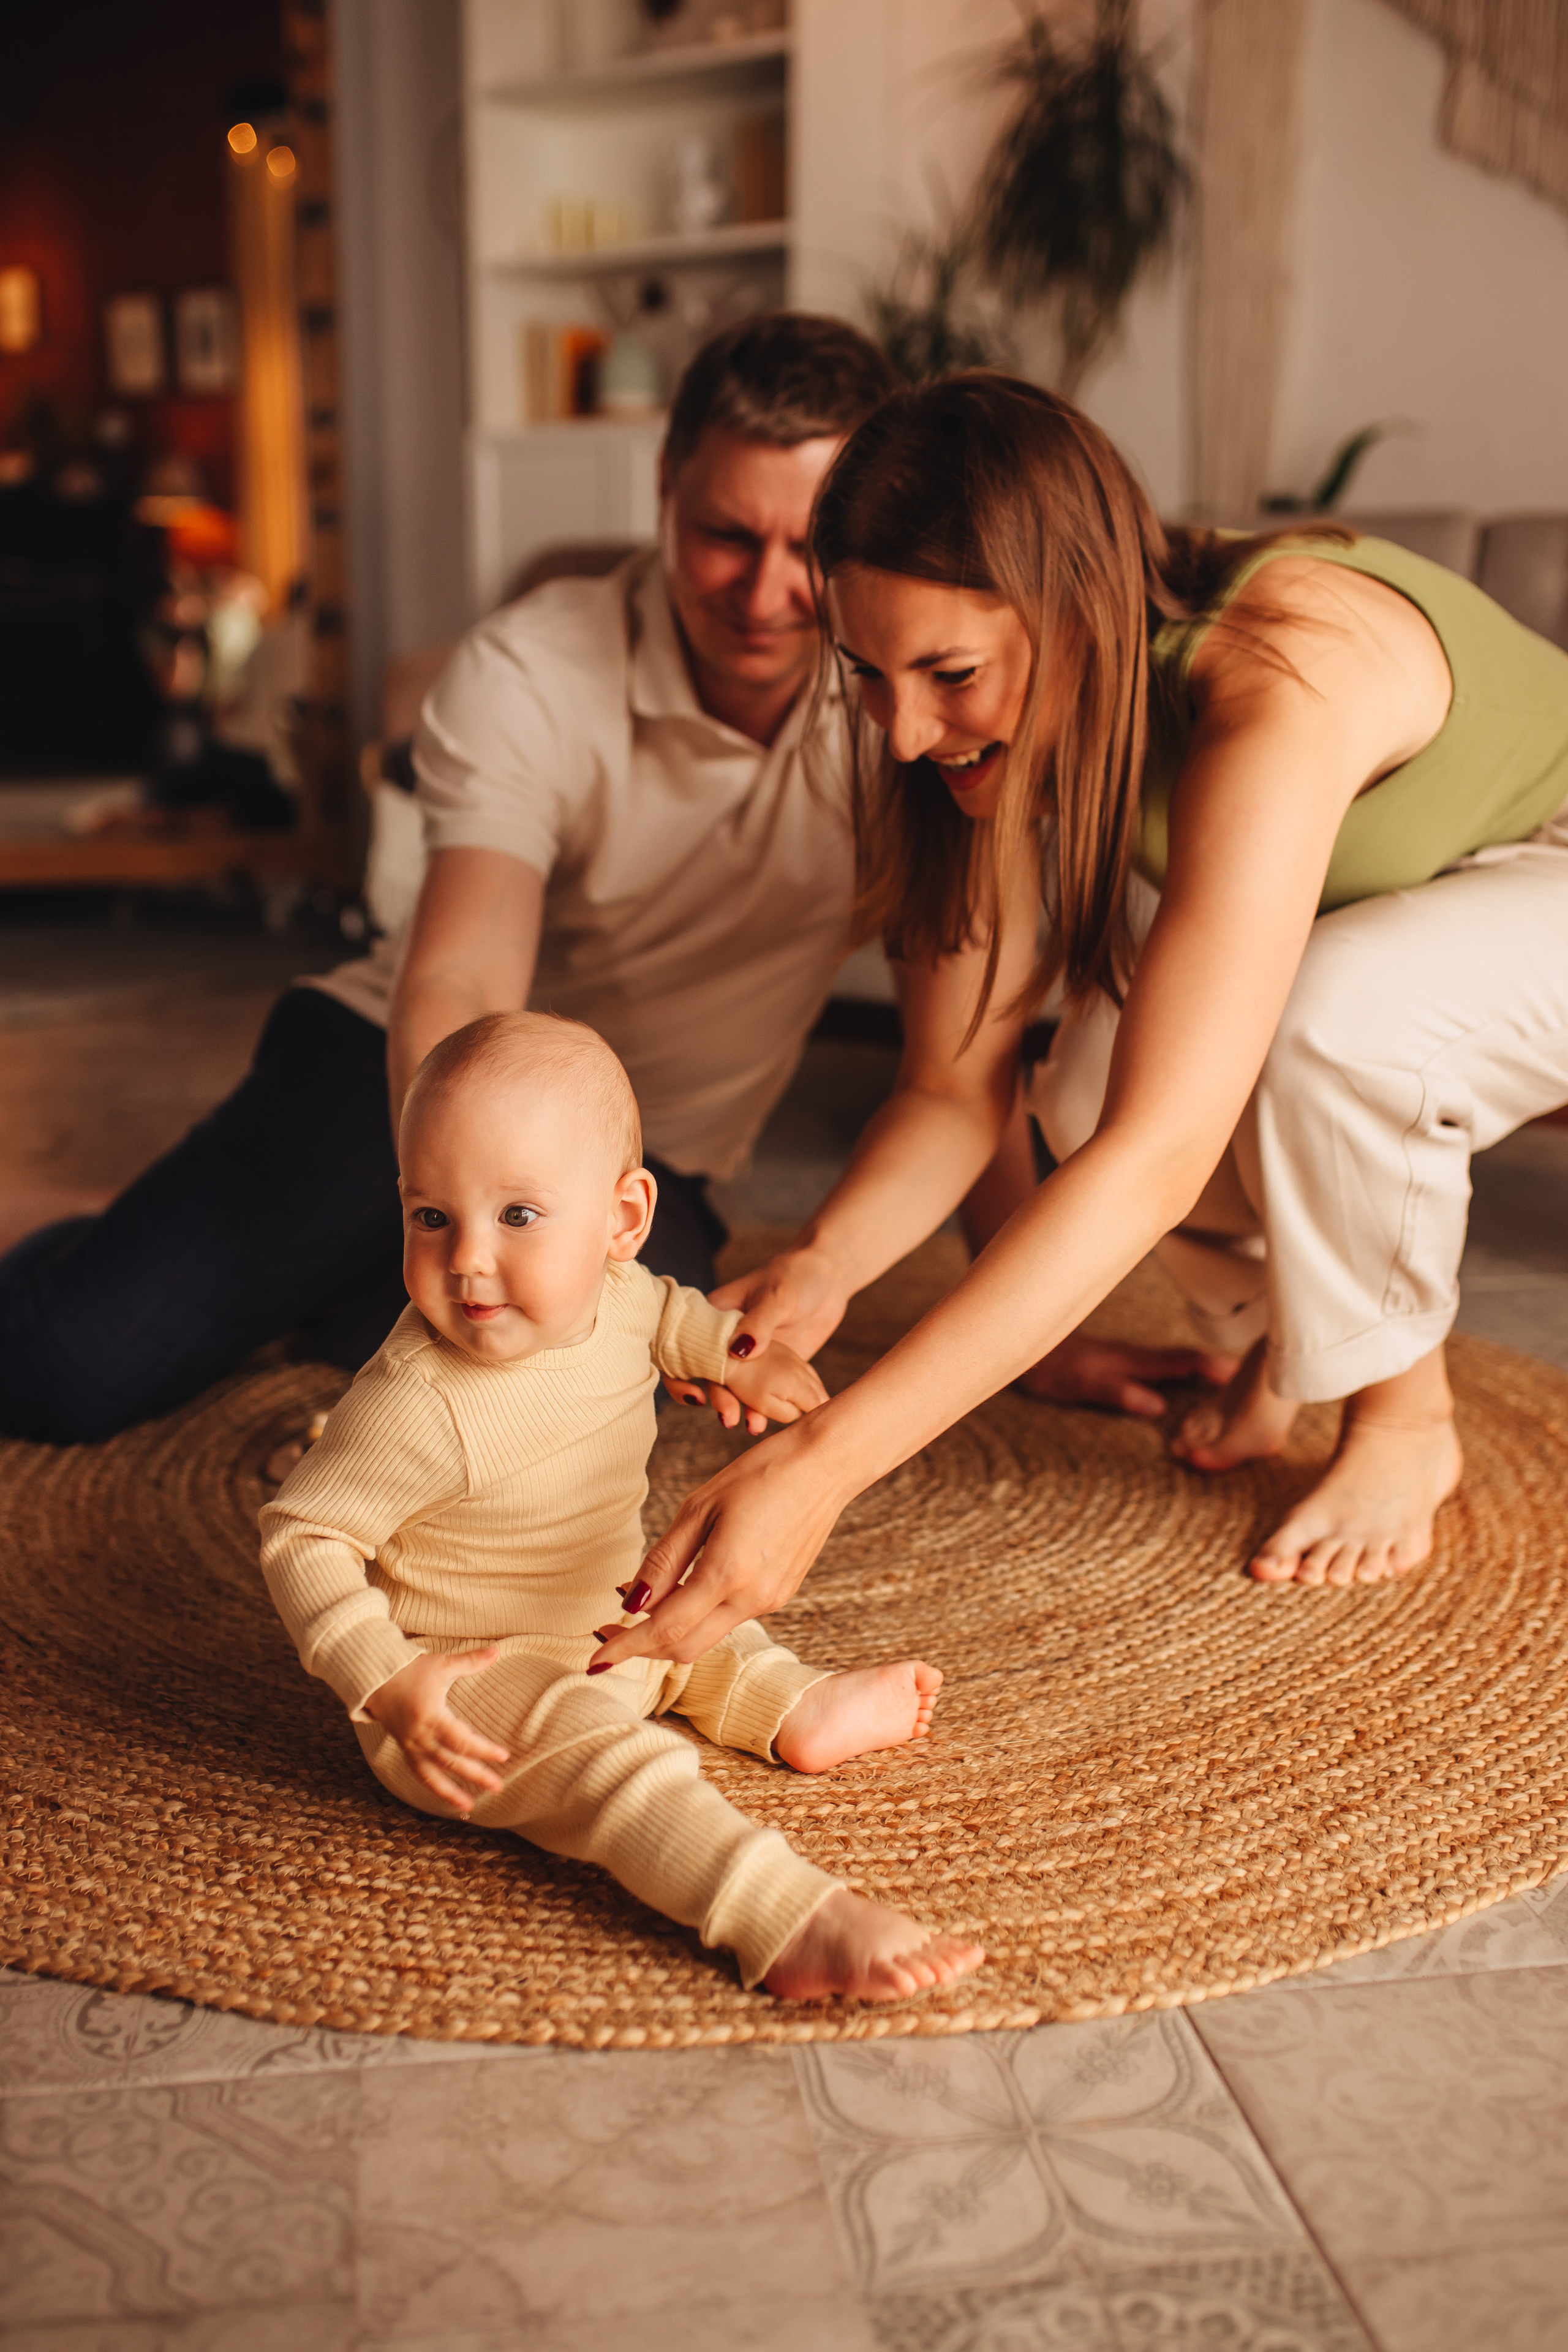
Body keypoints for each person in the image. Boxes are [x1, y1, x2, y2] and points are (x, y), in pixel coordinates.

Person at [584, 369, 1568, 1686]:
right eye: (867, 673)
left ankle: (1402, 1417)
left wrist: (825, 1466)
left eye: (949, 674)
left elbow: (1158, 1160)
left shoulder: (1281, 671)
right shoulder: (976, 733)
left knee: (1323, 1022)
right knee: (1089, 1064)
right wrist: (827, 1263)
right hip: (1424, 901)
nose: (904, 730)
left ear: (1076, 610)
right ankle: (1286, 1337)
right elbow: (951, 1084)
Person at [0, 314, 913, 1446]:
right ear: (667, 480)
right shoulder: (530, 666)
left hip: (653, 1162)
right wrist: (482, 1215)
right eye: (727, 535)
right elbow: (468, 967)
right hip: (403, 1082)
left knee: (510, 1364)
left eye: (809, 547)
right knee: (64, 1374)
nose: (767, 591)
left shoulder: (901, 696)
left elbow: (963, 1058)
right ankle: (96, 1235)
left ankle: (239, 1239)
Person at [260, 1011, 982, 2003]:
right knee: (619, 1765)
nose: (468, 1260)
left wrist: (748, 1354)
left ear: (624, 1222)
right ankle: (787, 1917)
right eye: (432, 1217)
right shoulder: (414, 1400)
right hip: (468, 1684)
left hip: (606, 1620)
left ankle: (794, 1707)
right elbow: (304, 1538)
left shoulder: (622, 1295)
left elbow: (681, 1319)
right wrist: (383, 1680)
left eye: (517, 1216)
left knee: (700, 1618)